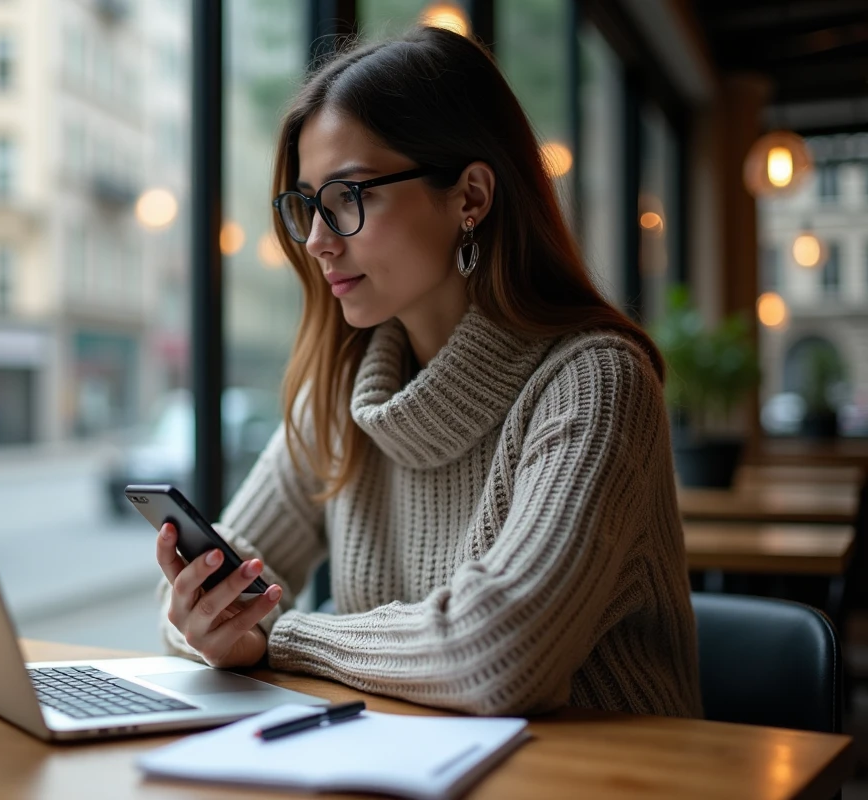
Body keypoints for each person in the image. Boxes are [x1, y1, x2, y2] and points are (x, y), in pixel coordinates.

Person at [154, 27, 702, 718]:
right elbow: (220, 579)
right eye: (306, 205)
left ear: (470, 197)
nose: (319, 240)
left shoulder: (595, 383)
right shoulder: (340, 396)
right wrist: (198, 611)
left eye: (349, 196)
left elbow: (498, 654)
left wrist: (275, 636)